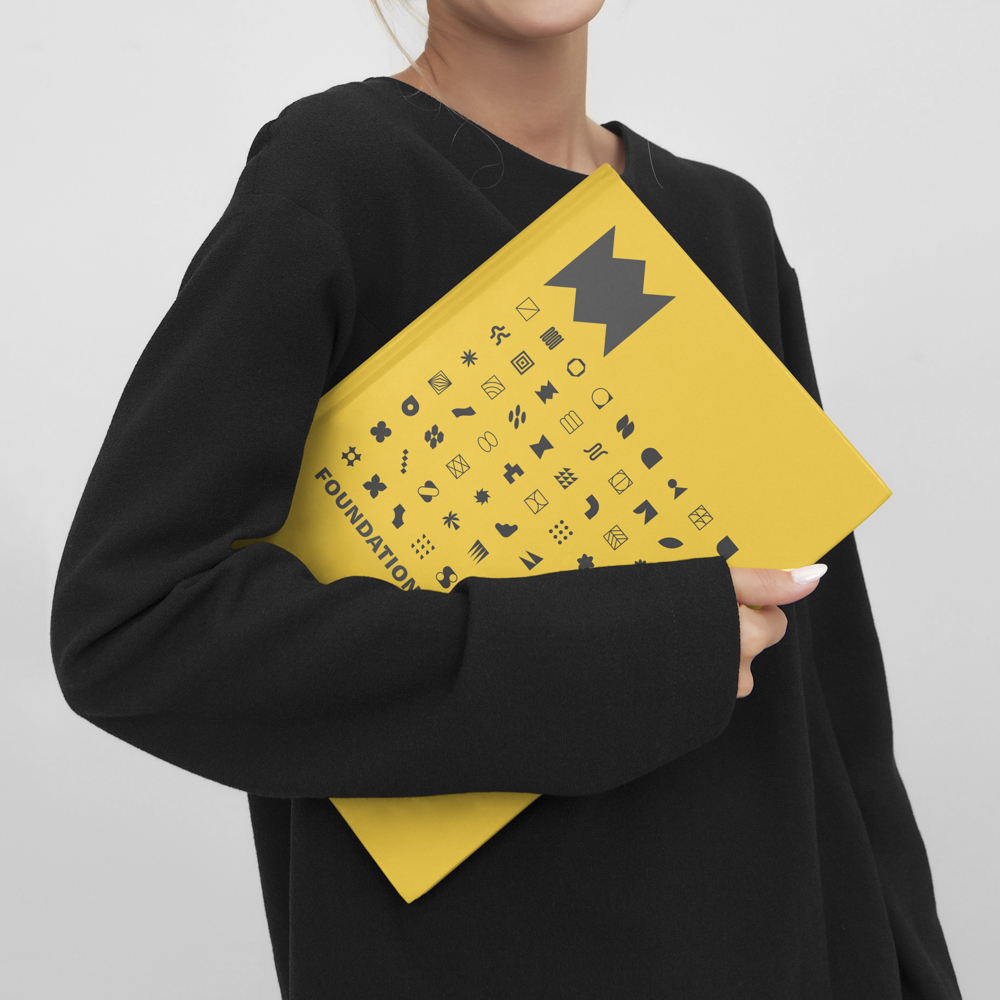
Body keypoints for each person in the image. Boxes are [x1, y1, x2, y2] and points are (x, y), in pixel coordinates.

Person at [49, 1, 963, 997]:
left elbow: (835, 703)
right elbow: (134, 626)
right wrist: (630, 648)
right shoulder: (337, 178)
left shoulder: (722, 223)